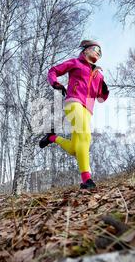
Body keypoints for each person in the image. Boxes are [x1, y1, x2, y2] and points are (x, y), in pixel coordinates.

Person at [39, 40, 109, 190]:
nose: (98, 52)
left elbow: (101, 98)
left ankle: (51, 137)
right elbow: (53, 71)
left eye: (100, 52)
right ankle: (86, 180)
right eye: (96, 49)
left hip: (88, 109)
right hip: (74, 102)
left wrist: (104, 89)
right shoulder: (76, 63)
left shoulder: (99, 74)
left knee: (75, 149)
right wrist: (55, 83)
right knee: (86, 136)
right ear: (85, 50)